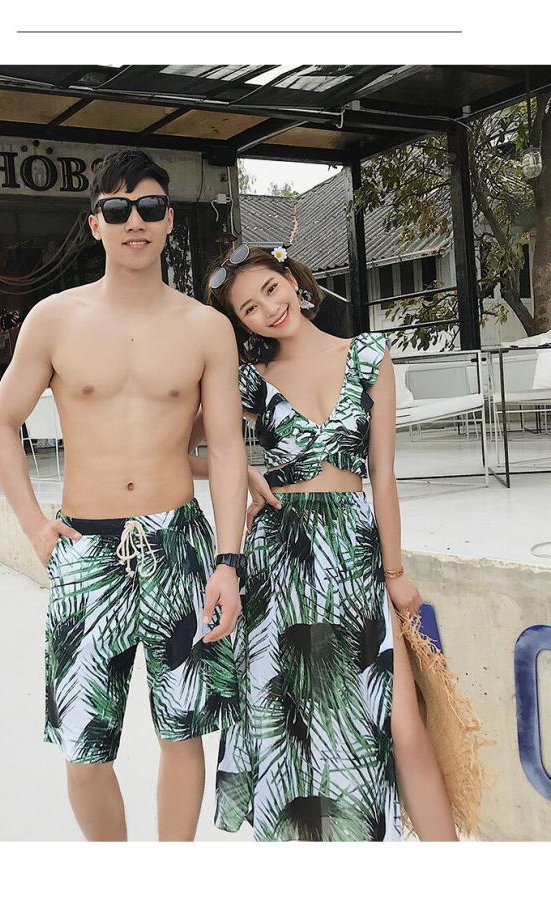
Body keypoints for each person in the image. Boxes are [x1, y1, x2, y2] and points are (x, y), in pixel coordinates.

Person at [0, 150, 248, 842]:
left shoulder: (206, 328)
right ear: (96, 223)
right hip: (86, 547)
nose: (136, 221)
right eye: (118, 208)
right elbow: (2, 423)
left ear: (169, 221)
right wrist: (34, 525)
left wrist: (228, 561)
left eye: (151, 207)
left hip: (179, 547)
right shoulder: (53, 319)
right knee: (83, 747)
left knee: (183, 731)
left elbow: (226, 449)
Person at [188, 243, 458, 842]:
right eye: (249, 309)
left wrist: (394, 572)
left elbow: (382, 474)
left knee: (400, 722)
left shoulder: (367, 356)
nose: (268, 310)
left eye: (270, 289)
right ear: (242, 324)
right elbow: (178, 449)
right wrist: (244, 472)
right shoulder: (250, 382)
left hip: (353, 552)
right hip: (279, 558)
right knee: (292, 730)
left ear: (292, 279)